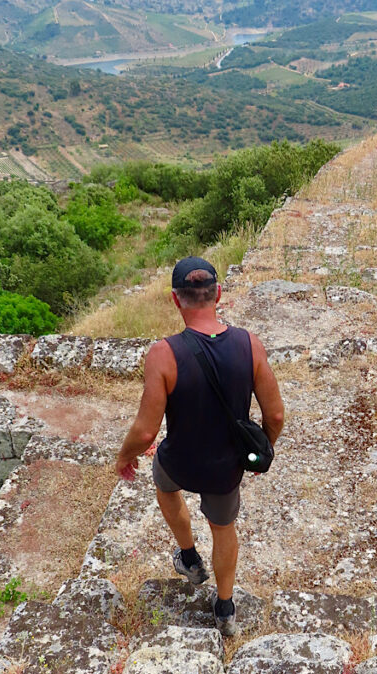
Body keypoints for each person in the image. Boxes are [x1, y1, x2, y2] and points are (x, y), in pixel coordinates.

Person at [115, 256, 284, 636]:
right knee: (224, 529)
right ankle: (225, 608)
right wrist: (256, 455)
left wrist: (123, 458)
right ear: (218, 294)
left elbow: (145, 433)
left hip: (179, 461)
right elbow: (274, 415)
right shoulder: (249, 344)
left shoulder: (163, 354)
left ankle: (189, 559)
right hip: (225, 469)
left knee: (164, 484)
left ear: (176, 300)